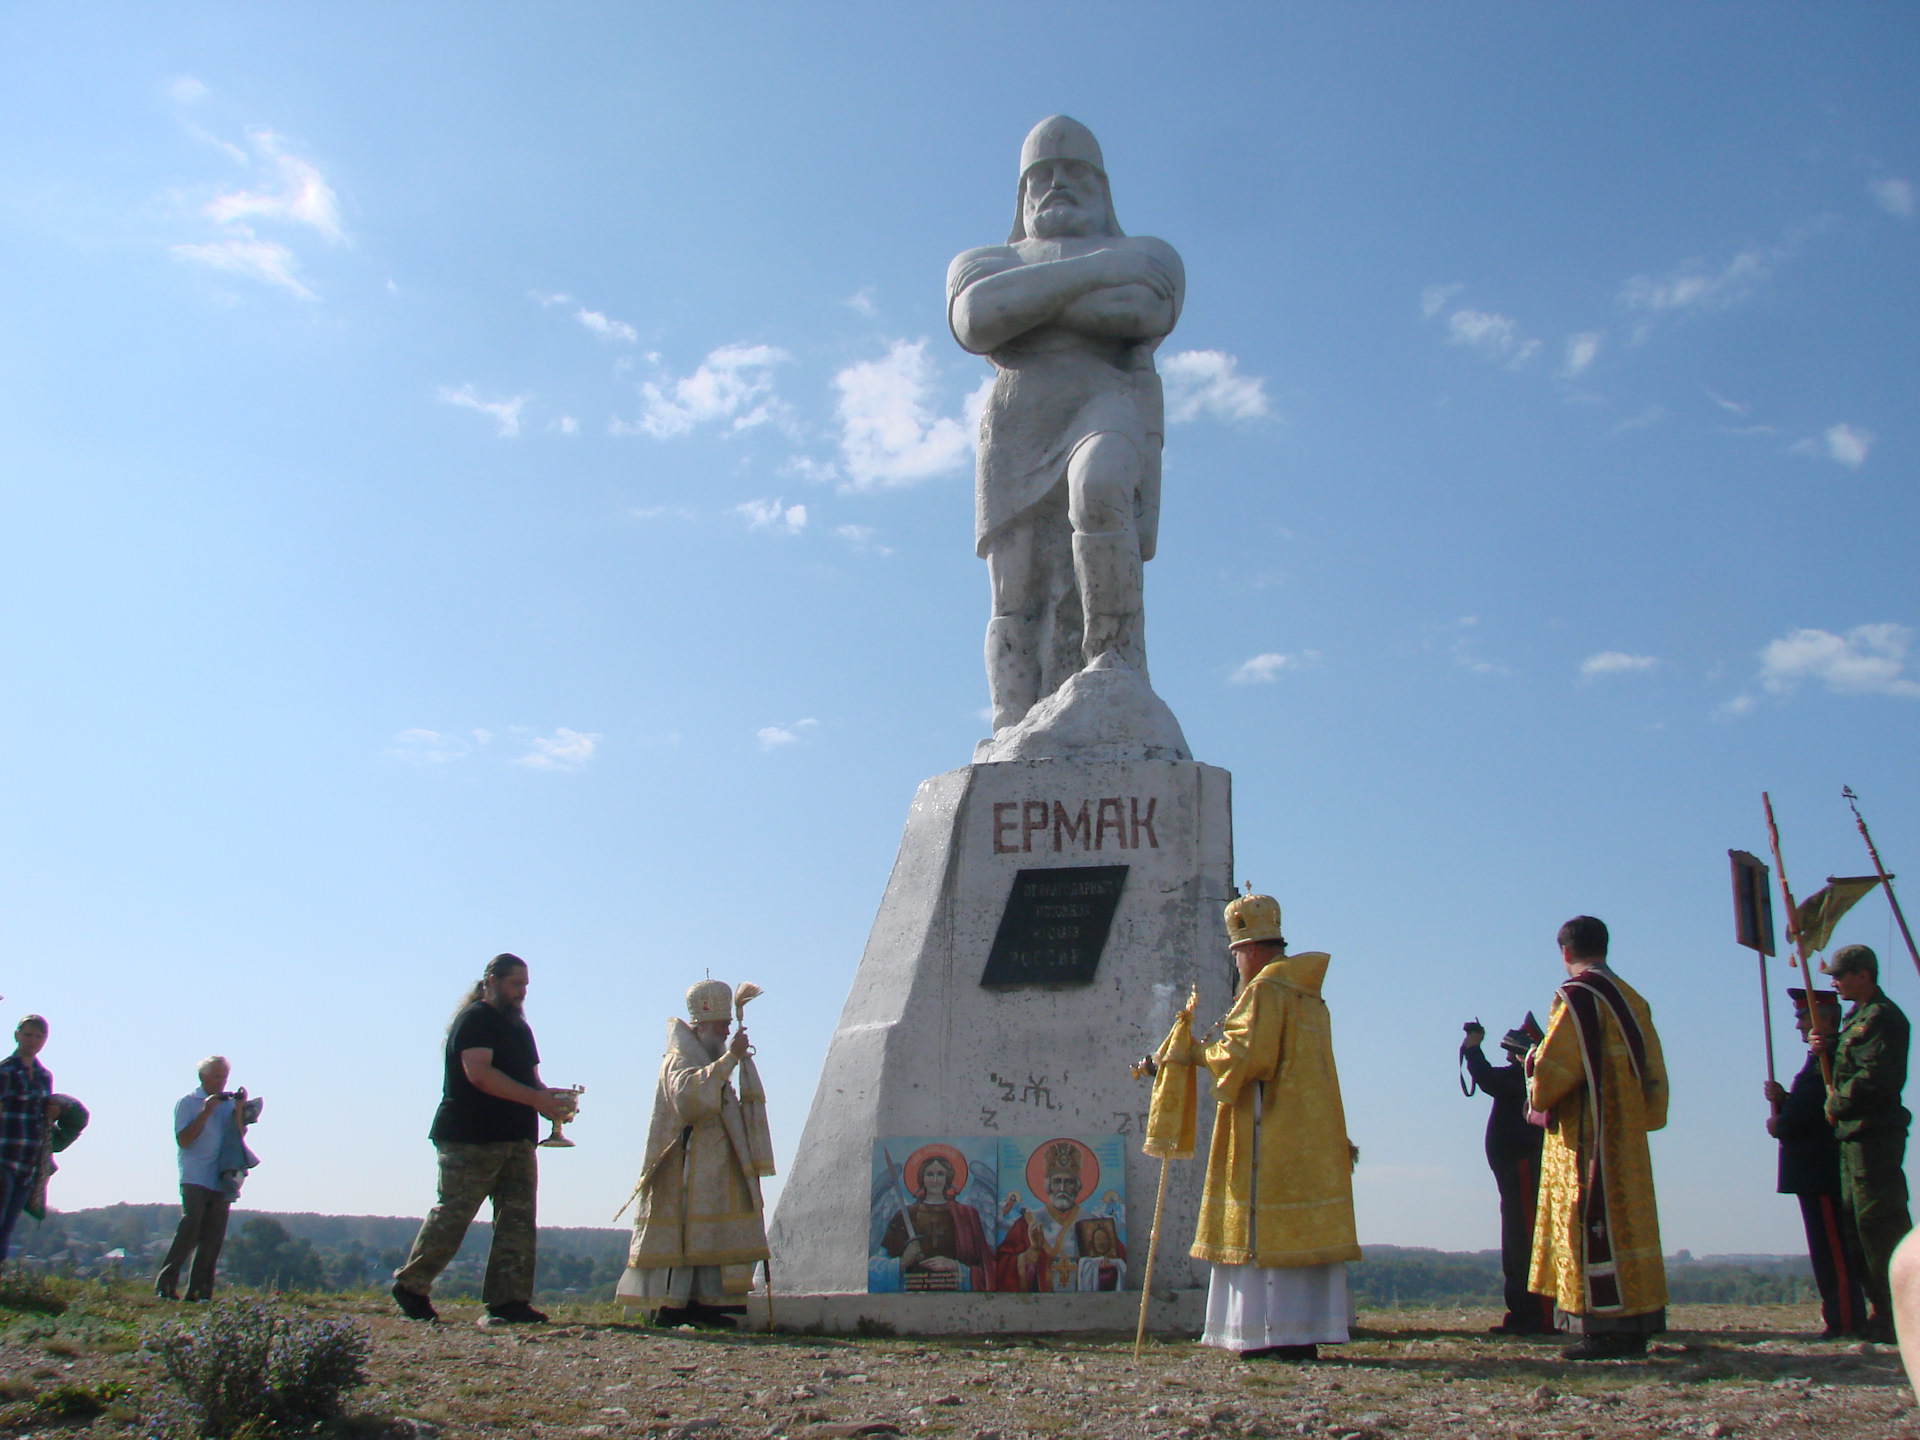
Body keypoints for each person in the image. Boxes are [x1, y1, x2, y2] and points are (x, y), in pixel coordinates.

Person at [948, 115, 1185, 733]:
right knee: (1014, 592)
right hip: (1017, 424)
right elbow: (979, 318)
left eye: (1073, 172)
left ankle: (1113, 661)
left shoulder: (1149, 254)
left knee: (1101, 488)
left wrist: (1032, 304)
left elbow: (1142, 308)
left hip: (1106, 403)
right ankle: (1013, 720)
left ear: (1102, 188)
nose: (1056, 184)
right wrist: (1091, 274)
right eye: (1040, 176)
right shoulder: (981, 260)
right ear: (1021, 194)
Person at [1158, 890, 1361, 1360]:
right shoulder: (1308, 993)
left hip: (1266, 1133)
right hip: (1306, 1131)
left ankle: (1265, 1333)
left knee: (1261, 1233)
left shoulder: (1267, 990)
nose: (1237, 964)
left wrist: (1195, 1053)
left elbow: (1250, 1057)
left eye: (1236, 954)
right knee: (1298, 1233)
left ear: (1248, 949)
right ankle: (1302, 1331)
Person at [392, 953, 572, 1325]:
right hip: (471, 1136)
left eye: (525, 985)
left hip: (517, 1136)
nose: (521, 992)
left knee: (518, 1219)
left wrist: (550, 1101)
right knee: (455, 1213)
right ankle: (412, 1284)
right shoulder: (475, 1020)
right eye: (515, 984)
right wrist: (535, 1098)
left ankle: (509, 1301)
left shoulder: (520, 1029)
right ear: (491, 980)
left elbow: (529, 1081)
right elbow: (480, 1075)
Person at [1527, 916, 1669, 1359]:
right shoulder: (1632, 998)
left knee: (1591, 1221)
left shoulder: (1577, 997)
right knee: (1630, 1224)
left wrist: (1531, 1067)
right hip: (1625, 1134)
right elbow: (1654, 1073)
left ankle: (1602, 1330)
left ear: (1565, 952)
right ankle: (1637, 1324)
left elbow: (1555, 1072)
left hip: (1589, 1136)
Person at [616, 980, 774, 1328]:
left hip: (718, 1162)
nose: (725, 1031)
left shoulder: (708, 1056)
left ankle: (707, 1302)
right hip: (684, 1164)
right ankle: (674, 1304)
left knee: (712, 1233)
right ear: (701, 1025)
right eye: (721, 1026)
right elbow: (689, 1101)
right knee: (685, 1232)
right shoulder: (679, 1058)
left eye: (728, 1025)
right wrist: (731, 1058)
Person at [1812, 942, 1912, 1343]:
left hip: (1875, 1136)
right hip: (1852, 1138)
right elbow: (1852, 1060)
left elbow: (1876, 1077)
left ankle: (1901, 1312)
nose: (1834, 982)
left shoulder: (1884, 1018)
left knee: (1879, 1224)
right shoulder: (1857, 1019)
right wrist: (1828, 1047)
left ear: (1864, 975)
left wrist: (1836, 1101)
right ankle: (1883, 1311)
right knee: (1856, 1225)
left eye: (1840, 974)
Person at [1763, 987, 1867, 1338]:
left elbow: (1815, 1109)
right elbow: (1810, 1103)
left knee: (1833, 1251)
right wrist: (1786, 1100)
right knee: (1825, 1250)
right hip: (1811, 1171)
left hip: (1819, 1170)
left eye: (1803, 1017)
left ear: (1823, 1019)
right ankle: (1839, 1316)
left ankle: (1846, 1319)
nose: (1798, 1025)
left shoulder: (1831, 1056)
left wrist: (1782, 1121)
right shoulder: (1818, 1058)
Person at [1461, 1015, 1553, 1335]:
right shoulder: (1521, 1077)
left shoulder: (1529, 1079)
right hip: (1514, 1170)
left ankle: (1538, 1315)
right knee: (1516, 1243)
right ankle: (1523, 1314)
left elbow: (1486, 1078)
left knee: (1525, 1242)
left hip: (1523, 1167)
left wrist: (1472, 1049)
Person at [155, 1055, 260, 1300]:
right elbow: (183, 1140)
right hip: (195, 1174)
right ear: (202, 1076)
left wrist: (239, 1110)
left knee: (213, 1235)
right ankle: (166, 1284)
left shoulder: (227, 1104)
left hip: (222, 1174)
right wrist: (206, 1111)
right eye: (216, 1076)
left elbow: (238, 1136)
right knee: (190, 1227)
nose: (221, 1082)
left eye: (224, 1077)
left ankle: (200, 1291)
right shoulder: (188, 1102)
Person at [992, 1138, 1120, 1292]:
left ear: (1077, 1187)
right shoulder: (1027, 1223)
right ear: (1048, 1186)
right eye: (1056, 1182)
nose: (1062, 1188)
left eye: (1069, 1182)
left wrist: (1104, 1268)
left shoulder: (1094, 1224)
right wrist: (1026, 1257)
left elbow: (1119, 1262)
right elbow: (1001, 1265)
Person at [874, 1149, 995, 1291]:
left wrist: (955, 1266)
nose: (935, 1180)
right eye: (930, 1174)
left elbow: (987, 1268)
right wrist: (902, 1263)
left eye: (940, 1174)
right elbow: (876, 1264)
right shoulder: (905, 1216)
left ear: (948, 1178)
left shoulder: (967, 1215)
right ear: (922, 1178)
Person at [0, 1016, 62, 1264]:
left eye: (39, 1036)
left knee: (7, 1226)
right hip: (4, 1154)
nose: (33, 1041)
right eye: (28, 1035)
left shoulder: (43, 1076)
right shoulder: (6, 1071)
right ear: (17, 1035)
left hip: (28, 1161)